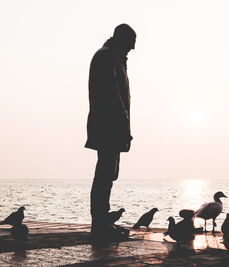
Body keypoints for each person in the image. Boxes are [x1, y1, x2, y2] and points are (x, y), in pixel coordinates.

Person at [85, 24, 136, 242]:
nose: (131, 51)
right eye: (130, 46)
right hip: (109, 126)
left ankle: (103, 222)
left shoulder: (111, 57)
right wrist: (123, 126)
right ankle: (100, 225)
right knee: (105, 175)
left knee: (107, 175)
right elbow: (113, 97)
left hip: (110, 126)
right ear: (121, 40)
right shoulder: (107, 58)